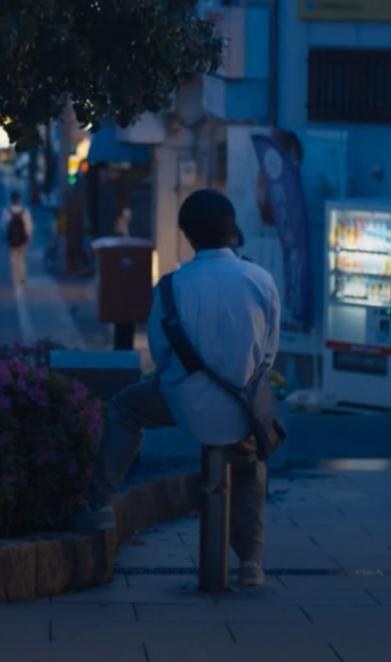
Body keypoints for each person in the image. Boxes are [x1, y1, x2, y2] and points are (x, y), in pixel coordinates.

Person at [76, 189, 281, 588]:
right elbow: (269, 354)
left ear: (187, 235)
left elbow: (160, 354)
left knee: (125, 409)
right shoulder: (261, 280)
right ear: (232, 230)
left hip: (182, 404)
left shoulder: (171, 286)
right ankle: (251, 562)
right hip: (242, 407)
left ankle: (99, 503)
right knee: (249, 462)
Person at [0, 190, 34, 288]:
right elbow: (29, 227)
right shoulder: (25, 211)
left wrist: (4, 236)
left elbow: (3, 225)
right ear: (19, 200)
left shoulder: (6, 211)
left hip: (11, 239)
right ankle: (23, 276)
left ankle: (15, 279)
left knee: (13, 259)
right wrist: (29, 238)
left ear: (11, 200)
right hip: (22, 239)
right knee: (21, 257)